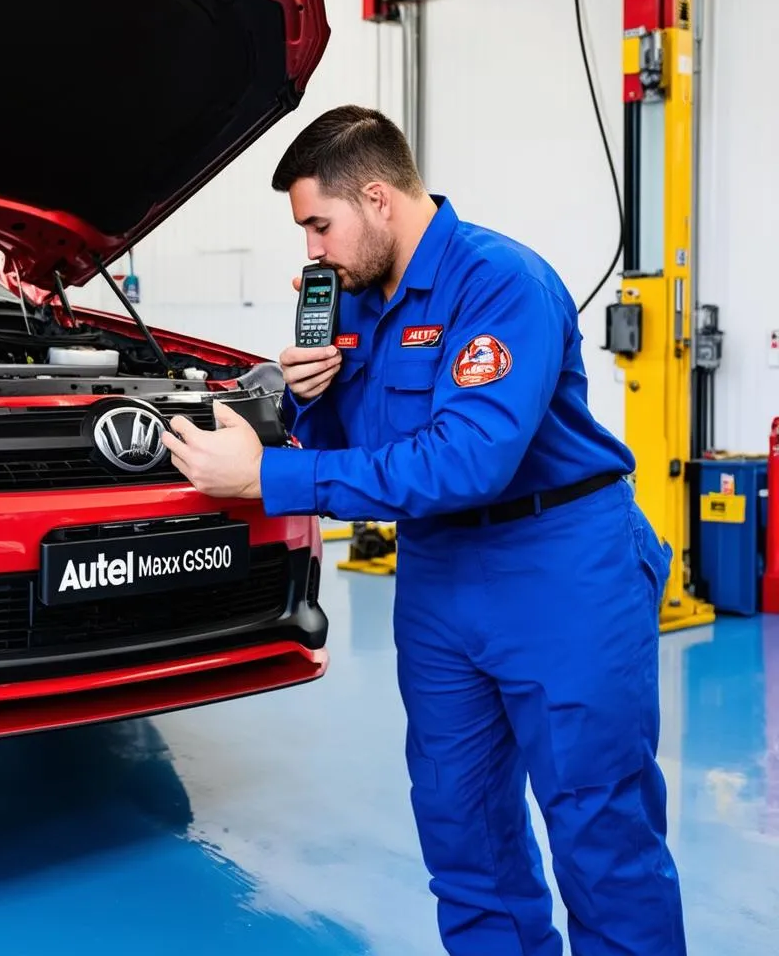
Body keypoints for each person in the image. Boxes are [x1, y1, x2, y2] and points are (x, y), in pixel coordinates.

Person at [161, 105, 686, 956]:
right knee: (460, 824)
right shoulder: (355, 305)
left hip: (559, 569)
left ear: (376, 198)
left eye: (318, 226)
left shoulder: (502, 282)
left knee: (600, 832)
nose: (312, 252)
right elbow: (364, 452)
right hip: (441, 576)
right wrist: (310, 397)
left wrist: (269, 477)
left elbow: (465, 460)